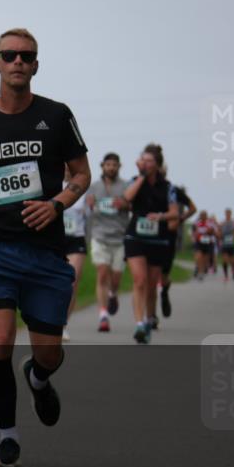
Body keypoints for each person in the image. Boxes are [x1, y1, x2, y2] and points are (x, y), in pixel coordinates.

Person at [0, 28, 91, 467]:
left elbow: (81, 175)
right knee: (1, 338)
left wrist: (57, 203)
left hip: (45, 252)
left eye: (27, 56)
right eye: (9, 55)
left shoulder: (57, 115)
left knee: (47, 351)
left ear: (36, 64)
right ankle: (8, 437)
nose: (18, 62)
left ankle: (39, 377)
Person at [122, 144, 179, 344]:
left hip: (158, 239)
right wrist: (142, 177)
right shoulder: (135, 181)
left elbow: (175, 213)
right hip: (135, 237)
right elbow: (127, 197)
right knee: (139, 280)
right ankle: (139, 324)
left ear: (157, 164)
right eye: (142, 160)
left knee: (151, 285)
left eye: (149, 161)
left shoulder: (168, 187)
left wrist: (161, 216)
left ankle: (148, 319)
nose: (145, 163)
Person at [85, 152, 131, 332]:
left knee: (116, 278)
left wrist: (125, 204)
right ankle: (103, 315)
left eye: (114, 165)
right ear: (102, 166)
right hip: (100, 235)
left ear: (119, 167)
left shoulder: (126, 186)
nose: (111, 167)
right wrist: (89, 202)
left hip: (119, 237)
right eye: (108, 164)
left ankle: (113, 294)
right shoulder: (94, 187)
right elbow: (87, 205)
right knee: (102, 273)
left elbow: (133, 204)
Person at [155, 178, 195, 326]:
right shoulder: (143, 187)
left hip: (168, 236)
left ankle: (164, 291)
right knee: (150, 276)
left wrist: (180, 219)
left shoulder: (172, 190)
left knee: (163, 275)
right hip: (149, 236)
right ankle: (151, 315)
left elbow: (192, 208)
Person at [61, 164, 87, 341]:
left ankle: (62, 324)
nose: (67, 170)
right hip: (56, 240)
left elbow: (93, 214)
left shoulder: (85, 189)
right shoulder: (52, 184)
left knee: (72, 282)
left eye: (70, 166)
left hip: (76, 239)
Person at [191, 210, 218, 280]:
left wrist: (210, 232)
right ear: (200, 216)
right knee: (198, 256)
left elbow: (215, 232)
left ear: (206, 216)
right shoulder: (196, 223)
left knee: (205, 259)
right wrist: (195, 236)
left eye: (204, 215)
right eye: (201, 215)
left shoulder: (210, 223)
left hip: (208, 242)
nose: (202, 217)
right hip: (199, 242)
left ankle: (203, 269)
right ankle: (200, 272)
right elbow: (194, 231)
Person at [219, 208, 234, 282]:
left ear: (231, 214)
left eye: (229, 213)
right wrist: (220, 234)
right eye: (226, 213)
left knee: (233, 260)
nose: (227, 215)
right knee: (225, 260)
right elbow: (219, 232)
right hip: (225, 244)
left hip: (232, 244)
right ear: (225, 214)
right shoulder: (222, 223)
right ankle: (226, 276)